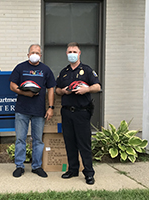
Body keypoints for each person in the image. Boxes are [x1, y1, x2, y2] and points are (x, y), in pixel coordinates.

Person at [55, 42, 101, 185]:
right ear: (67, 54)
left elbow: (98, 86)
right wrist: (63, 91)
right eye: (69, 52)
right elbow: (57, 90)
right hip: (67, 112)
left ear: (79, 53)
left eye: (74, 51)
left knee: (84, 143)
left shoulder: (86, 70)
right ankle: (72, 169)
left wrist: (86, 90)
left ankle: (88, 173)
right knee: (70, 142)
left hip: (82, 112)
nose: (72, 54)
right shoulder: (64, 72)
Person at [9, 44, 56, 178]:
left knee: (38, 140)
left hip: (39, 111)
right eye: (32, 52)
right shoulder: (20, 67)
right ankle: (19, 166)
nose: (34, 54)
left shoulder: (45, 70)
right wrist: (25, 94)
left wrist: (51, 107)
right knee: (20, 139)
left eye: (37, 52)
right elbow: (12, 85)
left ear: (40, 55)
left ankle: (36, 166)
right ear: (28, 54)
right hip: (22, 110)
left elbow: (51, 88)